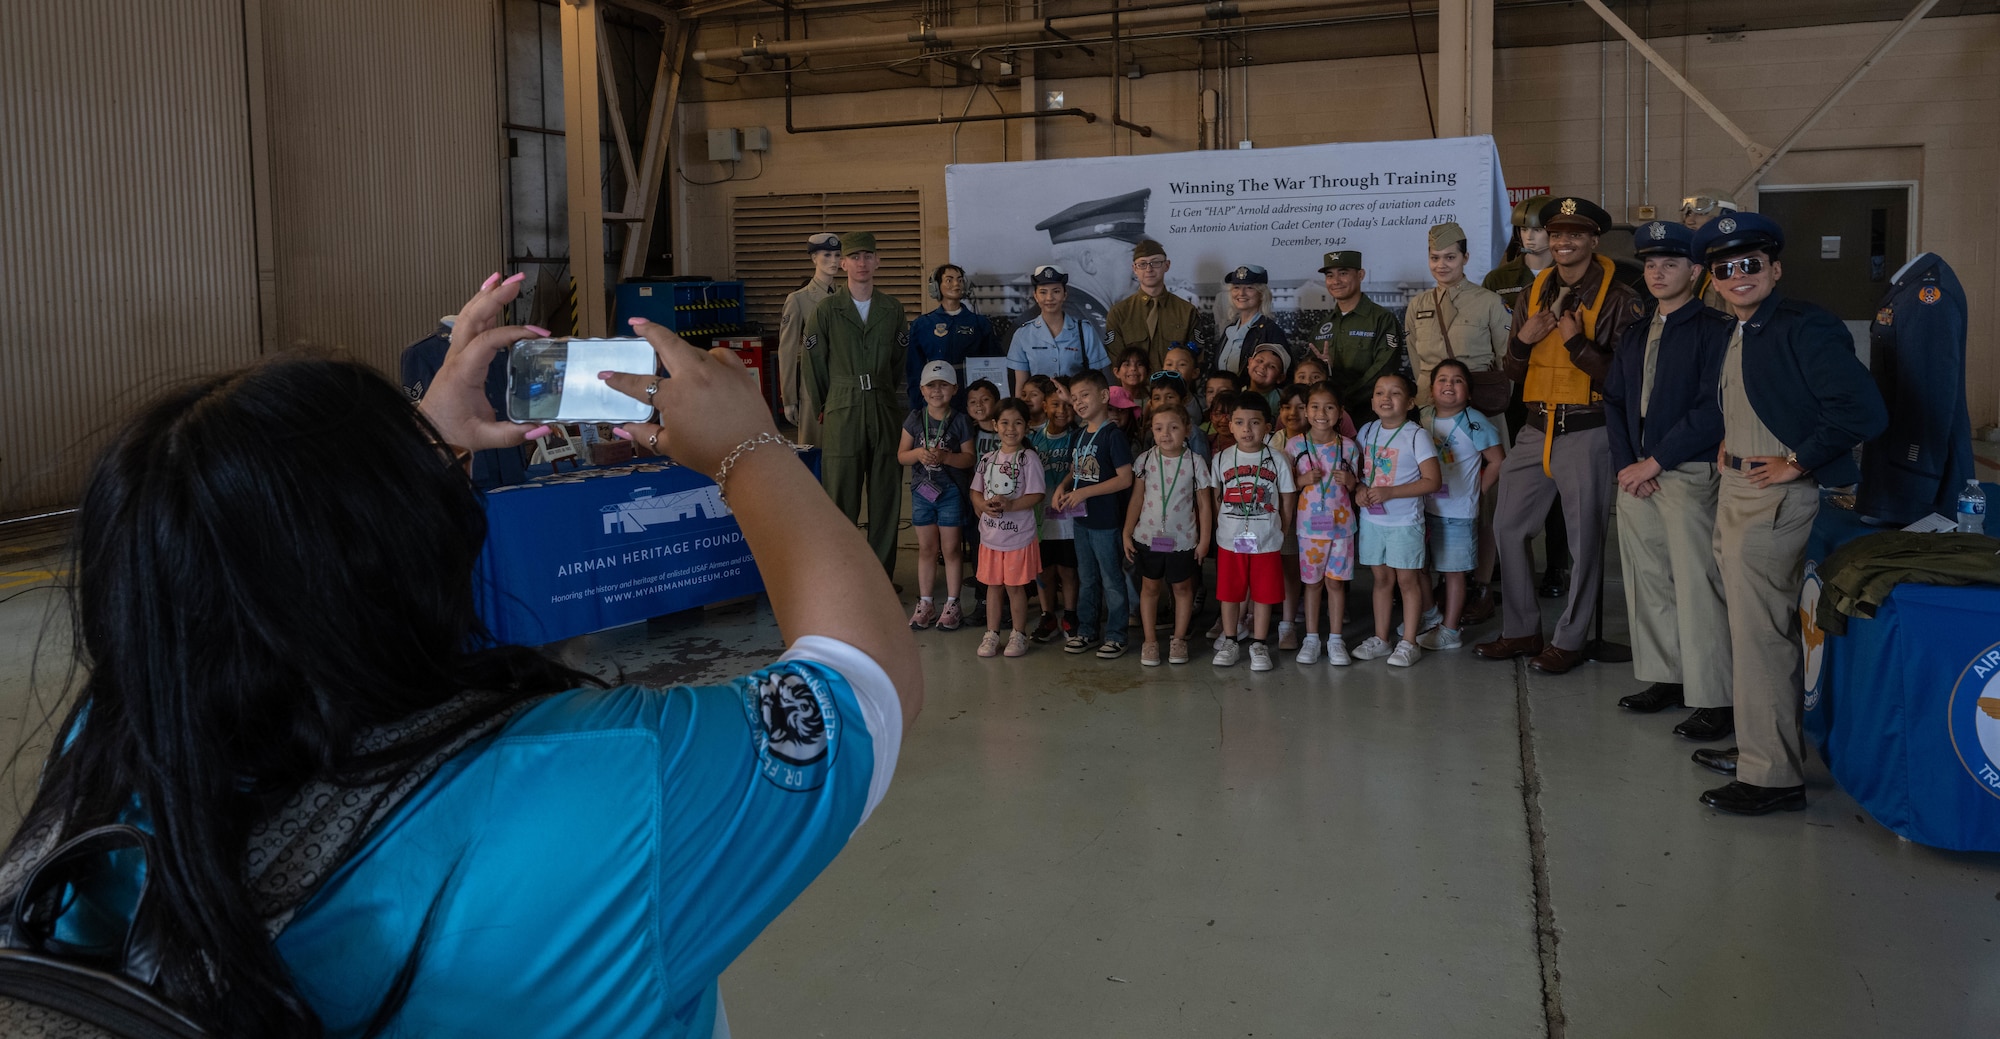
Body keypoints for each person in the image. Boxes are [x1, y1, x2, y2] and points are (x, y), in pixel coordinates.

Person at [0, 271, 921, 1037]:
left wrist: (416, 449)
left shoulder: (114, 760)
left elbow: (264, 589)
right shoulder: (598, 781)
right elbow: (867, 681)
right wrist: (750, 449)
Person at [1687, 212, 1887, 815]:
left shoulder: (1804, 327)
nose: (1738, 276)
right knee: (1747, 633)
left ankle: (1771, 775)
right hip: (1738, 488)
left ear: (1775, 269)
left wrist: (1798, 462)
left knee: (1763, 639)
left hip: (1774, 502)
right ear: (1715, 281)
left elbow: (1862, 412)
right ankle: (1759, 746)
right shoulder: (1741, 330)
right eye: (1725, 269)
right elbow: (1757, 400)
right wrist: (1732, 442)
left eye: (1751, 264)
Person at [1476, 197, 1643, 675]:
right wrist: (1523, 340)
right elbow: (1511, 369)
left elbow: (1625, 381)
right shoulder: (1535, 290)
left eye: (1575, 233)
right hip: (1535, 427)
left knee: (1584, 542)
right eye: (1557, 233)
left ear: (1593, 240)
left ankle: (1570, 639)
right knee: (1507, 527)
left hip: (1586, 429)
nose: (1564, 241)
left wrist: (1575, 343)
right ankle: (1522, 629)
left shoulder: (1619, 295)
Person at [1603, 219, 1734, 738]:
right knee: (1648, 580)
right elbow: (1613, 400)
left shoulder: (1715, 331)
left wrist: (1653, 462)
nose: (1657, 273)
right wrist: (1625, 466)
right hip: (1636, 476)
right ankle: (1666, 677)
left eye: (1670, 264)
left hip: (1684, 473)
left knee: (1697, 587)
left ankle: (1714, 697)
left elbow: (1713, 409)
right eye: (1651, 265)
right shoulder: (1636, 333)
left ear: (1697, 271)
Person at [804, 230, 909, 577]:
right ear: (842, 263)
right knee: (840, 497)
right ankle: (843, 576)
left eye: (868, 256)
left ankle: (880, 577)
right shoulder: (827, 310)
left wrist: (880, 391)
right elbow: (814, 364)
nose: (862, 263)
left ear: (877, 261)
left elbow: (898, 361)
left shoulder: (892, 309)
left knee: (886, 495)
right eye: (855, 257)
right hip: (842, 408)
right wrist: (828, 404)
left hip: (882, 406)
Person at [1483, 196, 1569, 611]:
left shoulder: (1568, 276)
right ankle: (1507, 560)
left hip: (1557, 390)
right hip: (1513, 393)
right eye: (1523, 229)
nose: (1529, 236)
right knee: (1514, 482)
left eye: (1536, 229)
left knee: (1557, 483)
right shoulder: (1499, 280)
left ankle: (1558, 565)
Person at [1351, 373, 1443, 668]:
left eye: (1395, 393)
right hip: (1373, 521)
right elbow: (1360, 474)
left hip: (1405, 522)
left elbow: (1432, 481)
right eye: (1380, 393)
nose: (1386, 398)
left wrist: (1392, 492)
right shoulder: (1366, 431)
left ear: (1411, 402)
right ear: (1372, 401)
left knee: (1407, 580)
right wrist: (1359, 491)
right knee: (1381, 580)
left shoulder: (1416, 435)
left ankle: (1409, 642)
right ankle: (1381, 638)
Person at [1417, 361, 1505, 652]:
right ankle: (1432, 617)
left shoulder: (1475, 421)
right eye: (1442, 379)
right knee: (1418, 565)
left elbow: (1497, 460)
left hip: (1457, 513)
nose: (1449, 385)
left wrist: (1478, 490)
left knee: (1453, 573)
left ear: (1468, 392)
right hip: (1422, 508)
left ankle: (1451, 630)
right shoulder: (1423, 417)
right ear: (1431, 389)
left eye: (1457, 381)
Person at [1048, 369, 1134, 659]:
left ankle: (1117, 635)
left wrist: (1085, 492)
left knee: (1111, 579)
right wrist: (1062, 487)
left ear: (1103, 395)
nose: (1079, 402)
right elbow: (1076, 470)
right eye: (1074, 398)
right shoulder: (1079, 436)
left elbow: (1125, 479)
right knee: (1087, 577)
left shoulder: (1113, 435)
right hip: (1081, 522)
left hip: (1106, 522)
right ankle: (1087, 631)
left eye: (1085, 395)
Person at [1124, 404, 1216, 667]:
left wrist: (1205, 539)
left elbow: (1205, 505)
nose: (1166, 434)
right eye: (1159, 428)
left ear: (1187, 430)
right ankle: (1150, 641)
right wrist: (1127, 532)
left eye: (1174, 427)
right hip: (1148, 536)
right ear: (1151, 430)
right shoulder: (1145, 460)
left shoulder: (1195, 462)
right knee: (1150, 587)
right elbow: (1137, 499)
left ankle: (1178, 639)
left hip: (1183, 540)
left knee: (1182, 588)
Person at [1210, 393, 1296, 672]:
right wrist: (1219, 526)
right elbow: (1216, 496)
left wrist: (1282, 528)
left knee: (1263, 594)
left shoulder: (1278, 459)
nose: (1247, 429)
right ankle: (1231, 639)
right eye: (1240, 422)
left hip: (1267, 540)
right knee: (1230, 593)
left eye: (1255, 423)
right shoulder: (1221, 458)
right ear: (1230, 425)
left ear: (1268, 427)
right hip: (1230, 540)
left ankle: (1259, 643)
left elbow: (1286, 498)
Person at [398, 316, 525, 490]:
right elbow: (419, 417)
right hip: (462, 464)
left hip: (509, 463)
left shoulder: (499, 349)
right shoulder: (422, 352)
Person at [898, 360, 977, 632]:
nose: (937, 390)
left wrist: (948, 457)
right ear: (922, 390)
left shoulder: (960, 421)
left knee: (952, 549)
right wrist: (919, 454)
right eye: (931, 385)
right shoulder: (914, 418)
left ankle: (953, 603)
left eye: (943, 385)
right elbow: (901, 455)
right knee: (927, 549)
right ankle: (926, 602)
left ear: (955, 389)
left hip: (951, 492)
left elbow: (969, 459)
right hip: (922, 493)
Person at [1286, 381, 1360, 666]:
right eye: (1315, 406)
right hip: (1308, 530)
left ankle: (1337, 639)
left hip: (1342, 530)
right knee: (1313, 584)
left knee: (1336, 584)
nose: (1321, 413)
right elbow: (1285, 485)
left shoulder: (1349, 447)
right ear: (1306, 411)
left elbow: (1358, 484)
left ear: (1340, 412)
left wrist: (1351, 482)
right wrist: (1302, 481)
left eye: (1329, 407)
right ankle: (1312, 638)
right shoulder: (1294, 446)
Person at [1404, 222, 1514, 409]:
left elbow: (1506, 359)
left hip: (1478, 401)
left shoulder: (1490, 302)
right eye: (1434, 258)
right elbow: (1416, 361)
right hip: (1429, 404)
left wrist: (1496, 397)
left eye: (1450, 257)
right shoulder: (1418, 305)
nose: (1441, 265)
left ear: (1465, 258)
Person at [970, 398, 1046, 659]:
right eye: (1004, 422)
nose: (1010, 428)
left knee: (1015, 588)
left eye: (1017, 423)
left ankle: (1018, 633)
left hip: (1018, 537)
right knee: (993, 586)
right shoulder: (987, 458)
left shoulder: (1029, 458)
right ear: (994, 425)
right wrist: (982, 505)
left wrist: (1011, 505)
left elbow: (1036, 494)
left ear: (1027, 426)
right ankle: (991, 634)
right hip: (991, 538)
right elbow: (975, 491)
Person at [1307, 250, 1408, 422]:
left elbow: (1384, 370)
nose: (1336, 281)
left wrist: (1343, 399)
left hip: (1368, 415)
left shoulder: (1382, 319)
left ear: (1360, 275)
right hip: (1326, 419)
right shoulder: (1323, 325)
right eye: (1330, 275)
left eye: (1343, 273)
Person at [1035, 188, 1151, 330]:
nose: (1142, 269)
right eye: (1133, 255)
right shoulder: (1078, 326)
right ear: (1088, 261)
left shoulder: (1067, 318)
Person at [779, 231, 844, 446]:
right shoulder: (799, 299)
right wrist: (788, 399)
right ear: (814, 258)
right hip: (814, 389)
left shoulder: (848, 297)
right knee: (815, 452)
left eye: (837, 255)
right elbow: (787, 352)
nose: (833, 261)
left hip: (845, 388)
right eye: (826, 255)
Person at [1105, 239, 1211, 371]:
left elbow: (1195, 358)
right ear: (1134, 269)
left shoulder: (1186, 311)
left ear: (1167, 265)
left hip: (1174, 389)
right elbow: (1117, 360)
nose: (1149, 269)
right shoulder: (1119, 313)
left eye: (1155, 262)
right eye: (1142, 264)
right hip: (1134, 390)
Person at [1029, 381, 1081, 642]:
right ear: (1044, 405)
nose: (1062, 410)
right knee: (1044, 570)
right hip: (1040, 519)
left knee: (1068, 570)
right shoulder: (1033, 439)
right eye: (1055, 404)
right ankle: (1047, 615)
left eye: (1067, 405)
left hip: (1070, 518)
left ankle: (1070, 614)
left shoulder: (1078, 436)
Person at [1005, 264, 1111, 394]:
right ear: (1035, 296)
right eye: (1043, 292)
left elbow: (1096, 382)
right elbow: (1021, 387)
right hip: (1038, 409)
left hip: (1075, 408)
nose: (1049, 298)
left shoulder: (1085, 331)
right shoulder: (1023, 335)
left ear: (1065, 294)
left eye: (1056, 291)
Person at [906, 262, 997, 410]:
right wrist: (917, 409)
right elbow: (914, 371)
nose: (956, 284)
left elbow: (993, 364)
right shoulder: (922, 325)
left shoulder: (980, 323)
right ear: (936, 287)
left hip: (972, 400)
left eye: (960, 280)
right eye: (949, 280)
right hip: (935, 400)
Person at [1211, 265, 1290, 378]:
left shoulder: (1271, 331)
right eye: (1236, 287)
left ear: (1262, 294)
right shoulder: (1229, 330)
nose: (1241, 293)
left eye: (1249, 287)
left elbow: (1283, 376)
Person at [1245, 341, 1292, 412]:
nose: (1263, 366)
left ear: (1280, 378)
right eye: (1260, 360)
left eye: (1272, 366)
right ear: (1250, 362)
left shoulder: (1284, 399)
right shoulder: (1237, 392)